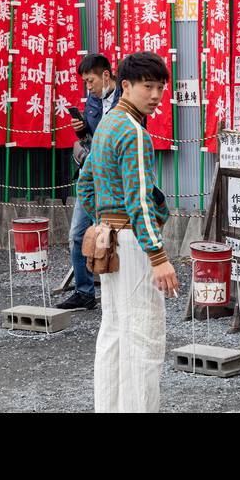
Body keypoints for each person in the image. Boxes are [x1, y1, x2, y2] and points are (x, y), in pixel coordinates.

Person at [77, 51, 178, 412]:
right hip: (134, 246)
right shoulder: (135, 133)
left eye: (161, 88)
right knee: (144, 337)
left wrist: (104, 222)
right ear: (126, 86)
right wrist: (159, 256)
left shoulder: (106, 124)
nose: (156, 95)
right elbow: (140, 202)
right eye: (148, 87)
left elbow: (84, 185)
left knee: (115, 332)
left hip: (110, 242)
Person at [56, 54, 121, 311]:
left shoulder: (125, 99)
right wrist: (80, 129)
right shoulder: (93, 99)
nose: (88, 87)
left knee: (111, 236)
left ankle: (116, 292)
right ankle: (84, 292)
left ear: (106, 75)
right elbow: (90, 136)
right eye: (84, 82)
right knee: (77, 234)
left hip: (114, 180)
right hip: (90, 175)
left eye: (90, 80)